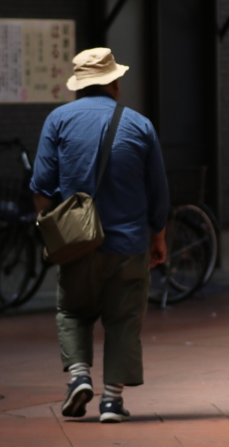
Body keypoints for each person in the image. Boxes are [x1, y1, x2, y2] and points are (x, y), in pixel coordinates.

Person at [31, 47, 169, 423]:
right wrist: (158, 237)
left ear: (79, 86)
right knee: (123, 319)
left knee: (73, 310)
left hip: (76, 243)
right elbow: (158, 191)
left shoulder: (58, 120)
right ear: (115, 83)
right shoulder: (140, 125)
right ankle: (111, 400)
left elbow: (41, 186)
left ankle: (78, 376)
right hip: (128, 243)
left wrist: (52, 233)